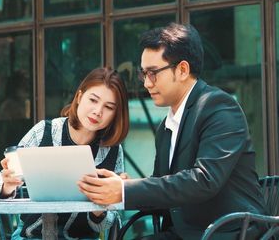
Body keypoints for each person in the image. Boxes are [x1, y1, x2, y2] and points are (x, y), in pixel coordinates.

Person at [78, 23, 267, 239]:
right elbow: (164, 189)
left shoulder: (219, 108)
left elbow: (204, 180)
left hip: (230, 232)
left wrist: (125, 190)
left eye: (153, 73)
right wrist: (121, 187)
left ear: (183, 70)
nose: (147, 83)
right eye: (143, 74)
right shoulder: (166, 128)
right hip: (187, 233)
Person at [0, 67, 130, 239]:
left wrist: (99, 211)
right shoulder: (44, 132)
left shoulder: (113, 151)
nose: (98, 111)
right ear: (79, 97)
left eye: (108, 107)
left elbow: (112, 219)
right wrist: (8, 185)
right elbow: (0, 188)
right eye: (93, 100)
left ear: (115, 114)